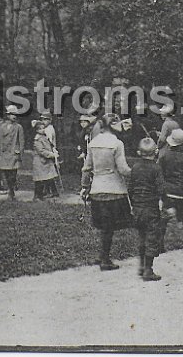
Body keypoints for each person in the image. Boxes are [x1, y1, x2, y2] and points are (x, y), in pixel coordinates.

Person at [80, 113, 133, 270]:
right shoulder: (117, 143)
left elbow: (86, 167)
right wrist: (137, 172)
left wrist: (84, 186)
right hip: (114, 188)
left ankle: (103, 255)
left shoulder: (93, 142)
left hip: (97, 188)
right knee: (110, 226)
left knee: (104, 225)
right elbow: (123, 169)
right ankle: (105, 259)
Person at [128, 138, 165, 281]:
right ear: (156, 152)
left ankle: (142, 266)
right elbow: (161, 188)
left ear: (139, 152)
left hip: (137, 207)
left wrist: (134, 203)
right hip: (151, 208)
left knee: (142, 236)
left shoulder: (135, 167)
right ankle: (148, 270)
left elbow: (130, 188)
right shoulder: (156, 168)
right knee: (152, 237)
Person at [157, 129, 183, 251]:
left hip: (168, 191)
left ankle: (160, 244)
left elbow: (159, 174)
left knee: (164, 219)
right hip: (182, 192)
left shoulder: (164, 156)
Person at [0, 105, 25, 200]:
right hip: (4, 154)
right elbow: (0, 140)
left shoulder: (18, 127)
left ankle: (11, 191)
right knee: (6, 173)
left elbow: (21, 141)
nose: (14, 116)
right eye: (12, 114)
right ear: (8, 115)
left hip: (14, 153)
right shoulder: (2, 127)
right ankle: (10, 188)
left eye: (15, 114)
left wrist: (20, 153)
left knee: (13, 173)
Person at [31, 115, 59, 200]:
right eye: (40, 129)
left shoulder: (44, 137)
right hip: (40, 162)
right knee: (39, 179)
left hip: (45, 162)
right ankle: (37, 196)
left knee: (46, 178)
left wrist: (54, 151)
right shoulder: (37, 139)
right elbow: (41, 151)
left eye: (43, 128)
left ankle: (45, 194)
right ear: (36, 130)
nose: (43, 130)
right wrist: (52, 155)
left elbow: (49, 146)